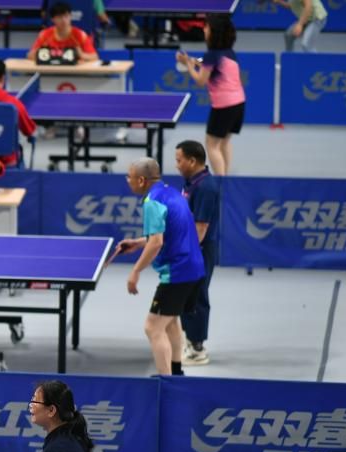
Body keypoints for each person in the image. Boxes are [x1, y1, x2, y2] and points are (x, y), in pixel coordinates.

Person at [113, 158, 205, 376]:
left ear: (141, 180)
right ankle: (176, 373)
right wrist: (138, 243)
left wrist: (135, 271)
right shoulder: (172, 192)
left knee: (153, 327)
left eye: (129, 177)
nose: (127, 180)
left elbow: (156, 243)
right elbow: (169, 233)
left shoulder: (152, 202)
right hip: (194, 268)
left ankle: (165, 381)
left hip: (178, 273)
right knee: (170, 322)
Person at [176, 15, 243, 176]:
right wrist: (190, 60)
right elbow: (207, 63)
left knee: (212, 145)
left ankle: (220, 182)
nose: (204, 29)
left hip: (224, 106)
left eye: (206, 27)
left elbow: (201, 80)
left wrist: (190, 66)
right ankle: (225, 179)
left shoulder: (211, 55)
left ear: (214, 32)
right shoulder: (229, 52)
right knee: (224, 142)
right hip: (239, 104)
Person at [174, 139, 220, 366]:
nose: (177, 165)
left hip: (198, 249)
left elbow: (201, 229)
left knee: (197, 295)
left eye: (179, 160)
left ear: (192, 161)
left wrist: (183, 252)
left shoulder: (205, 188)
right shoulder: (192, 182)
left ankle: (198, 349)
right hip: (189, 247)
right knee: (186, 295)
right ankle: (190, 342)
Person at [28, 2, 99, 64]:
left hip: (74, 72)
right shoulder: (44, 34)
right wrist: (39, 51)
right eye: (59, 17)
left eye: (66, 16)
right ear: (53, 19)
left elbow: (94, 57)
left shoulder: (80, 35)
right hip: (50, 71)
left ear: (70, 17)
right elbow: (30, 56)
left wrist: (81, 55)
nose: (64, 20)